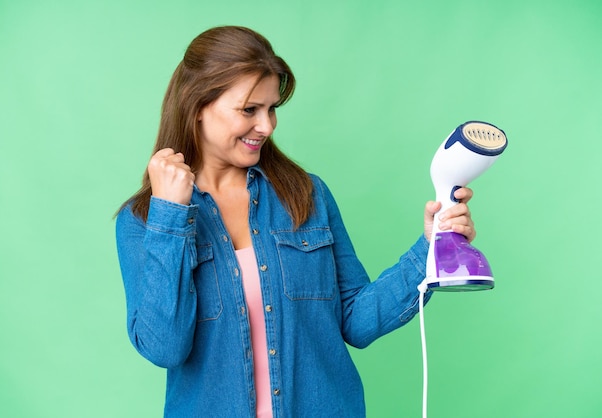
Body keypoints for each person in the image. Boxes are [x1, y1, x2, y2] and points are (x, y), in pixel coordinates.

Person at [115, 25, 476, 418]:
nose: (266, 126)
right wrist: (170, 216)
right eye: (249, 110)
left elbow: (355, 319)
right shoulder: (143, 221)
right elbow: (164, 347)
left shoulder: (305, 194)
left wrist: (432, 248)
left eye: (271, 109)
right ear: (197, 105)